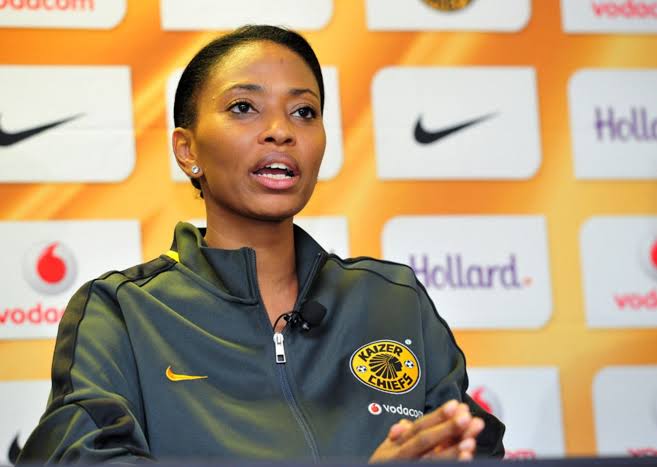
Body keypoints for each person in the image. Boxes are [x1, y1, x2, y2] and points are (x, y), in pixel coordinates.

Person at [17, 25, 504, 464]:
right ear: (187, 150)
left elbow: (472, 446)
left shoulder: (392, 298)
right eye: (243, 108)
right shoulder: (121, 311)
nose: (281, 131)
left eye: (304, 112)